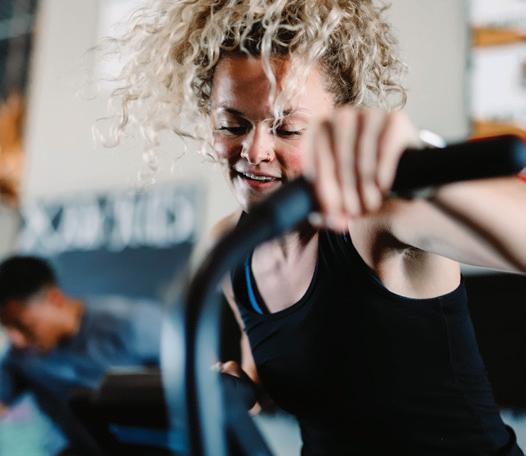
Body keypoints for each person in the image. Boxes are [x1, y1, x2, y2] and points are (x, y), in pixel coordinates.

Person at [107, 1, 526, 454]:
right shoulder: (231, 246)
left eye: (287, 129)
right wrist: (239, 385)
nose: (255, 151)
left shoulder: (377, 214)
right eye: (232, 124)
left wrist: (420, 165)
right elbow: (276, 367)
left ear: (336, 127)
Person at [0, 255, 163, 454]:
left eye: (24, 326)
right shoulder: (19, 357)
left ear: (55, 298)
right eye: (7, 328)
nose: (17, 339)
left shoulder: (134, 323)